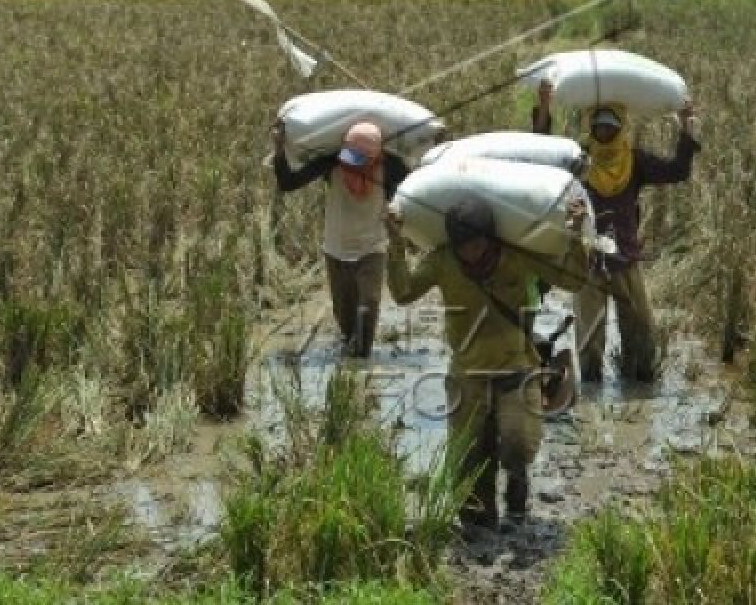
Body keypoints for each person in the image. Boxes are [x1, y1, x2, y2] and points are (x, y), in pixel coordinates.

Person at [385, 193, 590, 532]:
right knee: (469, 464)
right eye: (463, 246)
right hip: (468, 374)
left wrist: (574, 236)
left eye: (477, 244)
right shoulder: (442, 261)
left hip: (517, 368)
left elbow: (573, 280)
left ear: (491, 237)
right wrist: (394, 243)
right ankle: (477, 524)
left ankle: (517, 497)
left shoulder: (517, 256)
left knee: (518, 445)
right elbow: (403, 292)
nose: (471, 253)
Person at [533, 94, 700, 384]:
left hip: (624, 259)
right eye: (599, 127)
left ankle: (638, 386)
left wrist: (686, 127)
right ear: (592, 129)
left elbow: (677, 171)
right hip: (586, 262)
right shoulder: (579, 161)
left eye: (610, 127)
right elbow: (542, 156)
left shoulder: (634, 161)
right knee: (589, 341)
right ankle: (591, 399)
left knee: (641, 332)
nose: (605, 132)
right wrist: (545, 107)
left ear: (621, 128)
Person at [272, 121, 408, 358]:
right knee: (345, 322)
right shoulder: (333, 162)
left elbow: (413, 189)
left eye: (358, 160)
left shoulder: (391, 168)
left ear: (375, 156)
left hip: (372, 248)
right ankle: (350, 368)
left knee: (368, 307)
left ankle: (361, 369)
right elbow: (288, 182)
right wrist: (279, 149)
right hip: (336, 249)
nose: (350, 164)